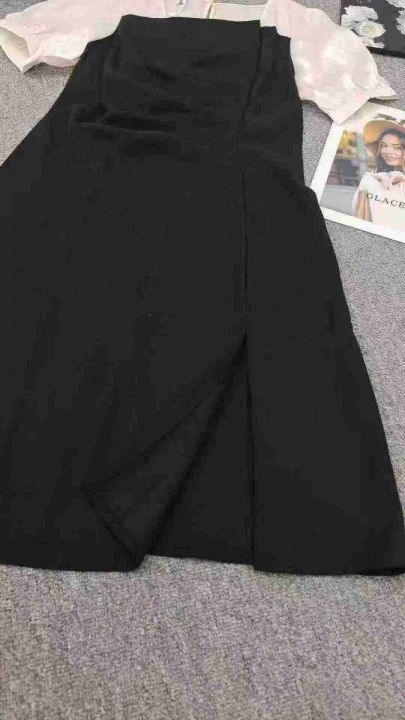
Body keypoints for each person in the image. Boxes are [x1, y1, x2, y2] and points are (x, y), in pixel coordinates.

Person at [352, 120, 405, 228]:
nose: (387, 151)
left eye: (397, 148)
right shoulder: (375, 174)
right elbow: (357, 210)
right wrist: (376, 177)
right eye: (384, 145)